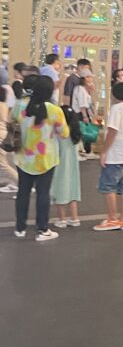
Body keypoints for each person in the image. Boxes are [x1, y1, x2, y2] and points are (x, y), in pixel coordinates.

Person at [14, 75, 66, 240]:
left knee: (23, 192)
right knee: (43, 194)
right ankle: (42, 230)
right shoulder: (54, 110)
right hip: (46, 159)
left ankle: (20, 228)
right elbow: (64, 133)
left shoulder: (19, 105)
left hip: (23, 158)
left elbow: (12, 123)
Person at [94, 82, 123, 232]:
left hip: (117, 155)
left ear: (114, 95)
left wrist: (104, 151)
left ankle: (112, 219)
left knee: (109, 186)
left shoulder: (116, 109)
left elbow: (112, 131)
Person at [52, 105, 82, 227]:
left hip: (60, 165)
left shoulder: (59, 132)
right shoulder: (75, 133)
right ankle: (75, 218)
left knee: (60, 190)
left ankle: (61, 219)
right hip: (73, 167)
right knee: (73, 190)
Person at [0, 68, 18, 195]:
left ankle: (21, 182)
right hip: (4, 134)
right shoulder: (4, 103)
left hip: (0, 135)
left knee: (3, 165)